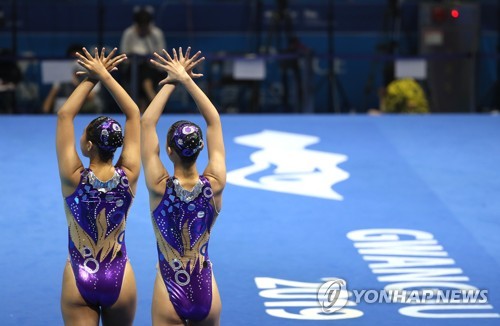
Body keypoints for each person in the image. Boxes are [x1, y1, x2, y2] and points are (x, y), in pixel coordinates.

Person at [56, 47, 141, 325]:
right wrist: (105, 75)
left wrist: (91, 77)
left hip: (80, 274)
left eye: (84, 134)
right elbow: (133, 114)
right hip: (119, 275)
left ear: (88, 145)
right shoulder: (129, 174)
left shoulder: (73, 176)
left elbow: (65, 115)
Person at [141, 47, 225, 325]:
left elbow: (146, 123)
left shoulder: (159, 186)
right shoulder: (215, 183)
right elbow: (213, 121)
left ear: (168, 151)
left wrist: (171, 81)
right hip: (207, 292)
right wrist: (188, 80)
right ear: (201, 149)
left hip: (169, 289)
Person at [120, 5, 166, 112]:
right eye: (141, 26)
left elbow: (162, 55)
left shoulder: (156, 33)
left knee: (146, 74)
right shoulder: (129, 33)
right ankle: (152, 100)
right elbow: (123, 55)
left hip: (153, 69)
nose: (143, 28)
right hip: (133, 68)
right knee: (141, 74)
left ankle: (146, 103)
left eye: (146, 26)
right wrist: (134, 58)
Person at [43, 44, 103, 114]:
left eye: (78, 58)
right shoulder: (64, 73)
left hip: (88, 109)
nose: (76, 62)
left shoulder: (92, 73)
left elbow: (91, 98)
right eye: (73, 58)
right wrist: (44, 112)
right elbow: (52, 95)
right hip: (70, 108)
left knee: (90, 105)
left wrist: (76, 82)